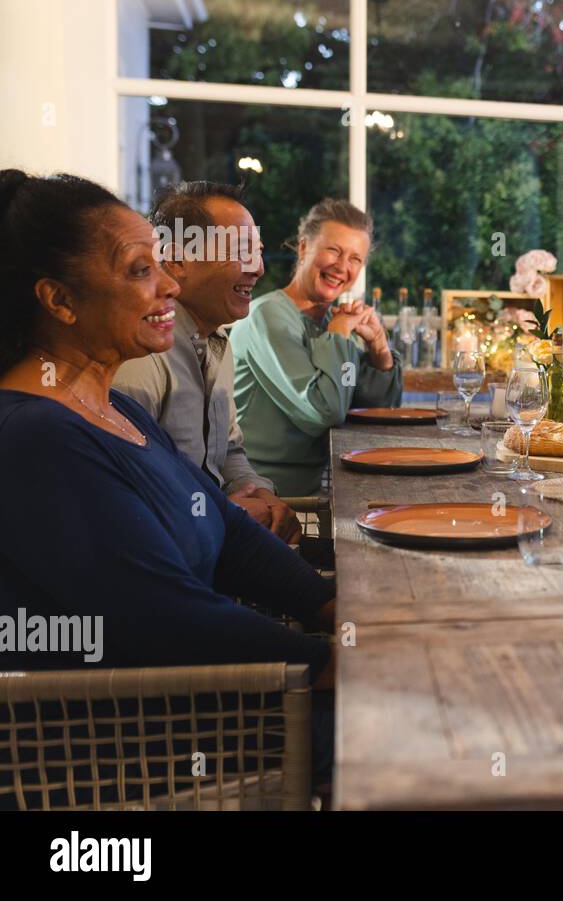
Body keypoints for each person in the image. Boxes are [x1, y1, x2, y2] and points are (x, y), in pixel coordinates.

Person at [0, 169, 335, 681]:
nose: (170, 285)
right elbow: (167, 622)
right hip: (133, 740)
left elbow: (230, 530)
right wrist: (335, 663)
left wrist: (330, 607)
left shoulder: (117, 410)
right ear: (60, 301)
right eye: (140, 270)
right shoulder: (36, 438)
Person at [114, 181, 301, 543]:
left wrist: (260, 492)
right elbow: (124, 498)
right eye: (242, 251)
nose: (258, 268)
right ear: (177, 260)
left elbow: (229, 451)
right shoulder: (140, 352)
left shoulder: (216, 340)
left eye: (258, 252)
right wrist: (222, 512)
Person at [229, 198, 402, 496]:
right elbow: (325, 411)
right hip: (267, 497)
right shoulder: (266, 316)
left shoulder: (328, 323)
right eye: (333, 250)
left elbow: (375, 412)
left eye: (355, 259)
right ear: (303, 248)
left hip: (322, 489)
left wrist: (379, 349)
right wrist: (338, 334)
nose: (342, 267)